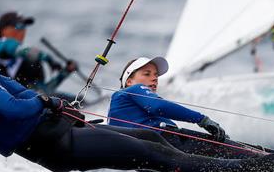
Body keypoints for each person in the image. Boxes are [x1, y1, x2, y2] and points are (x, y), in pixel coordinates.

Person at [0, 25, 274, 172]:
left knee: (148, 137)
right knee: (147, 150)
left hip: (61, 137)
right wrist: (45, 101)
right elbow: (12, 111)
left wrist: (52, 105)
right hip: (57, 143)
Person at [108, 56, 260, 160]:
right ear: (128, 81)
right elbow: (158, 106)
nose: (154, 78)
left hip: (159, 158)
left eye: (156, 75)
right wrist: (202, 119)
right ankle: (269, 162)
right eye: (147, 74)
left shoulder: (124, 108)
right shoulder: (131, 90)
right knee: (245, 153)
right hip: (169, 144)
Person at [0, 11, 77, 96]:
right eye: (19, 26)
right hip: (8, 101)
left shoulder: (27, 61)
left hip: (28, 101)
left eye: (24, 27)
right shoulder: (2, 45)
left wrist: (65, 72)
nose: (22, 31)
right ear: (4, 30)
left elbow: (45, 92)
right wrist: (48, 58)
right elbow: (18, 49)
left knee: (79, 101)